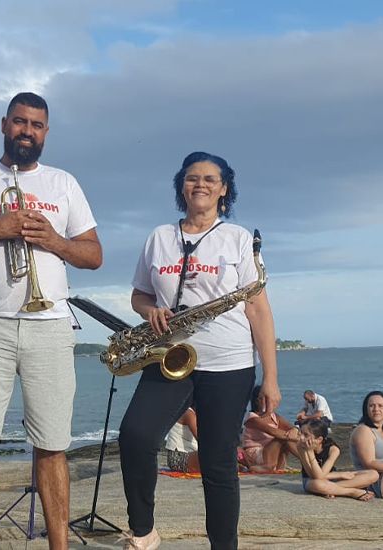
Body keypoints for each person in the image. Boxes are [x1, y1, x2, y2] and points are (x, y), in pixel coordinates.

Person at [0, 92, 102, 550]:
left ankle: (59, 546)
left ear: (46, 132)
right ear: (4, 124)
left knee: (52, 445)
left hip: (49, 323)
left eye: (37, 125)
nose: (28, 131)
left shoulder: (64, 183)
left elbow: (93, 255)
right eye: (21, 123)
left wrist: (55, 241)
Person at [117, 152, 279, 550]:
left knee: (219, 462)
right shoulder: (160, 237)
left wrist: (270, 378)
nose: (200, 184)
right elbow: (140, 294)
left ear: (224, 188)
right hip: (168, 355)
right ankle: (143, 530)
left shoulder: (238, 239)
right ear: (181, 186)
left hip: (229, 363)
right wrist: (150, 309)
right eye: (192, 178)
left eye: (210, 178)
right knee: (135, 436)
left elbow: (257, 308)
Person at [297, 419, 377, 501]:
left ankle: (332, 489)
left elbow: (322, 475)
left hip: (331, 479)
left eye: (306, 435)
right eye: (301, 433)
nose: (301, 437)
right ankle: (352, 492)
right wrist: (310, 452)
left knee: (374, 474)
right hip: (311, 480)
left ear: (319, 439)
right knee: (317, 484)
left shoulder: (333, 449)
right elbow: (314, 476)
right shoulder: (301, 447)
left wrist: (339, 475)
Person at [239, 384, 300, 472]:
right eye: (267, 399)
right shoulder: (252, 418)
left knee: (287, 438)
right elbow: (274, 432)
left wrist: (295, 430)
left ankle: (309, 463)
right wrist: (299, 438)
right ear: (257, 400)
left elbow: (291, 427)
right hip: (258, 453)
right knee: (282, 438)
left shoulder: (274, 416)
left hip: (273, 453)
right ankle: (309, 463)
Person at [165, 407, 200, 474]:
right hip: (178, 457)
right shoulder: (188, 413)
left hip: (189, 454)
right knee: (212, 455)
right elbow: (203, 440)